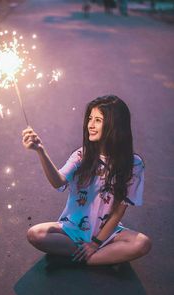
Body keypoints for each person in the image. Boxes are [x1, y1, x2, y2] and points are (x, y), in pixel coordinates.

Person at [22, 95, 152, 266]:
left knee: (142, 243)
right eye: (90, 118)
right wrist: (40, 151)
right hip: (73, 230)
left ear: (115, 125)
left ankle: (90, 257)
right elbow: (58, 181)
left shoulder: (134, 164)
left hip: (107, 234)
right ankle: (100, 257)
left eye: (98, 120)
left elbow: (118, 211)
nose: (90, 125)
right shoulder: (81, 156)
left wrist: (95, 243)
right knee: (35, 234)